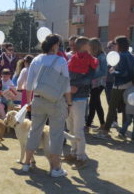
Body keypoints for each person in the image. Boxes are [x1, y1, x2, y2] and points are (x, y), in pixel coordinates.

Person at [23, 34, 72, 177]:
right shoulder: (61, 60)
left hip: (37, 99)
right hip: (56, 101)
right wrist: (69, 103)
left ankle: (26, 163)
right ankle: (56, 168)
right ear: (55, 45)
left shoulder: (36, 60)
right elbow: (66, 85)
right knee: (56, 134)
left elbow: (29, 85)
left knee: (34, 131)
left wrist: (29, 102)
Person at [65, 37, 97, 169]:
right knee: (71, 127)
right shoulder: (72, 59)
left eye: (74, 45)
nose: (72, 47)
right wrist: (68, 87)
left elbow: (88, 80)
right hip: (69, 98)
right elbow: (65, 76)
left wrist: (71, 85)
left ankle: (81, 156)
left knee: (78, 129)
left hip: (80, 98)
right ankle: (73, 152)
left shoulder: (90, 60)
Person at [100, 36, 134, 136]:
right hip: (129, 85)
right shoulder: (131, 56)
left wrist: (113, 71)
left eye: (115, 43)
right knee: (125, 108)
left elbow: (123, 72)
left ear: (120, 45)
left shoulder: (121, 56)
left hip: (120, 85)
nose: (114, 45)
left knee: (112, 108)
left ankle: (105, 131)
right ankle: (123, 131)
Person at [86, 38, 108, 130]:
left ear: (94, 47)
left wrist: (91, 76)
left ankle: (87, 125)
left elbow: (103, 71)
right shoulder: (93, 56)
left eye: (89, 46)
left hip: (99, 83)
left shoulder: (102, 57)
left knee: (92, 104)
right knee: (97, 104)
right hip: (94, 83)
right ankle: (103, 124)